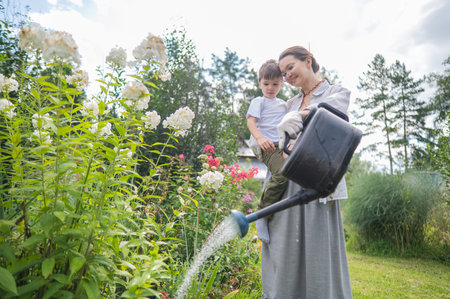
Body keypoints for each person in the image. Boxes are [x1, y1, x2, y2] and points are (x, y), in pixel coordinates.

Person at [259, 46, 353, 298]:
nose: (286, 76)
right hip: (288, 182)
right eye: (283, 72)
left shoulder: (336, 92)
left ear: (308, 61)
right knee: (283, 246)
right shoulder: (286, 103)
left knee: (317, 246)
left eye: (290, 67)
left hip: (318, 182)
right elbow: (267, 135)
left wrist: (302, 115)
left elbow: (335, 114)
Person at [246, 59, 288, 210]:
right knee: (282, 175)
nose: (270, 88)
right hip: (267, 146)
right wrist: (260, 138)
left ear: (281, 85)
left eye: (275, 84)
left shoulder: (284, 105)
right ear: (260, 84)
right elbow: (251, 122)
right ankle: (264, 209)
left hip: (283, 145)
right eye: (266, 84)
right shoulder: (259, 101)